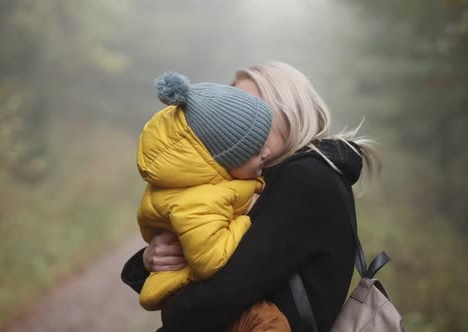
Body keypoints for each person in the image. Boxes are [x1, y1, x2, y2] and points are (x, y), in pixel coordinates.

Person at [122, 61, 380, 331]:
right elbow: (231, 262)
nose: (245, 121)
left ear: (290, 112)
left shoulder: (307, 178)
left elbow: (221, 294)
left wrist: (173, 313)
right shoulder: (267, 178)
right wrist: (150, 259)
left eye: (256, 109)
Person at [135, 71, 290, 330]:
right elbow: (209, 260)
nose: (266, 152)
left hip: (196, 292)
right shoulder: (200, 199)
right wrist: (247, 219)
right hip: (189, 294)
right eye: (254, 151)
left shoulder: (216, 181)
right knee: (269, 323)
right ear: (226, 160)